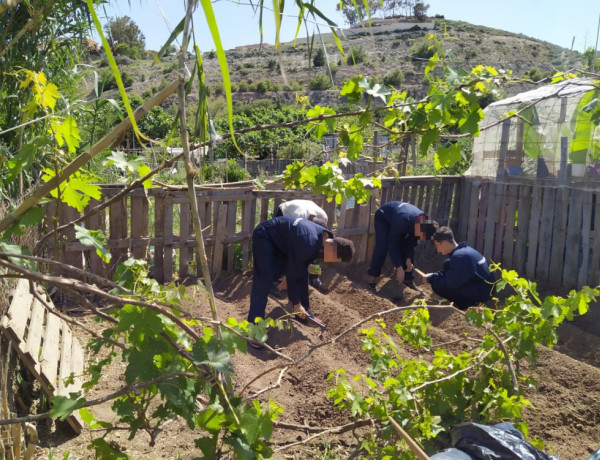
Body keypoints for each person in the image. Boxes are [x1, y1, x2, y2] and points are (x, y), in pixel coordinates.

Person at [248, 215, 354, 330]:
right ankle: (254, 327)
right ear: (334, 251)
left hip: (283, 242)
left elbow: (301, 269)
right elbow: (293, 274)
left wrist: (300, 304)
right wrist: (296, 303)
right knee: (264, 279)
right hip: (266, 235)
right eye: (334, 259)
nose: (330, 261)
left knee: (302, 272)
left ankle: (304, 313)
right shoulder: (308, 242)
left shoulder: (324, 237)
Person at [367, 201, 438, 301]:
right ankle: (372, 279)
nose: (420, 238)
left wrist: (408, 259)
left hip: (400, 219)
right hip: (384, 217)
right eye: (421, 236)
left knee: (409, 248)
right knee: (382, 246)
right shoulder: (402, 221)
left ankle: (408, 279)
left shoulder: (422, 222)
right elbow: (393, 244)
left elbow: (411, 244)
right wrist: (399, 267)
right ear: (419, 228)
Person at [422, 226, 496, 310]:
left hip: (483, 293)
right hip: (486, 288)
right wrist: (436, 275)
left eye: (437, 245)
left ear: (444, 242)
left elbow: (450, 283)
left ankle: (469, 305)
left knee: (440, 286)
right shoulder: (466, 251)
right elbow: (457, 273)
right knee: (447, 263)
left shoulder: (460, 256)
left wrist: (431, 279)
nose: (437, 249)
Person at [274, 199, 329, 292]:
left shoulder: (324, 218)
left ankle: (314, 278)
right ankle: (275, 281)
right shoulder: (297, 218)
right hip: (285, 213)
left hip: (304, 208)